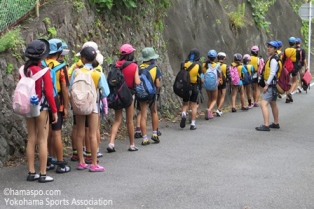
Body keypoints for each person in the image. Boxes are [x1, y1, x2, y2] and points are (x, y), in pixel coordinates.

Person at [69, 46, 110, 172]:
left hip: (79, 105)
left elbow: (71, 88)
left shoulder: (76, 72)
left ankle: (81, 162)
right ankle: (93, 163)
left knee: (80, 133)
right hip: (93, 105)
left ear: (83, 58)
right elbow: (106, 92)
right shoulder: (98, 74)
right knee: (92, 134)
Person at [23, 39, 58, 182]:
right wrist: (54, 110)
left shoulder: (23, 70)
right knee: (42, 140)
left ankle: (31, 172)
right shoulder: (44, 71)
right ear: (42, 56)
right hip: (42, 108)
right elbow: (49, 94)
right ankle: (43, 174)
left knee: (31, 139)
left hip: (27, 107)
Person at [43, 38, 71, 174]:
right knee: (56, 133)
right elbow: (65, 89)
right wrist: (66, 107)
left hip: (43, 103)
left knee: (46, 133)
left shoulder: (41, 64)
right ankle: (60, 163)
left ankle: (48, 161)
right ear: (59, 52)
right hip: (57, 102)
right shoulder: (61, 67)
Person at [107, 44, 140, 152]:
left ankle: (111, 143)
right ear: (131, 54)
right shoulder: (134, 66)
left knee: (117, 120)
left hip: (117, 95)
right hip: (128, 95)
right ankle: (131, 144)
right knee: (129, 121)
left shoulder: (115, 65)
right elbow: (137, 82)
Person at [137, 47, 162, 144]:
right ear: (152, 59)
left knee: (143, 115)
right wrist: (157, 91)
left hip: (141, 94)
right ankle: (155, 133)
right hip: (151, 94)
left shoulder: (138, 68)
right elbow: (158, 84)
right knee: (154, 112)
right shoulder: (155, 69)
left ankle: (144, 138)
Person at [255, 41, 280, 131]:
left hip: (271, 85)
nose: (268, 48)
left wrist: (266, 85)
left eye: (271, 47)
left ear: (275, 49)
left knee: (263, 104)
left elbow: (272, 73)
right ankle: (276, 123)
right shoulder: (275, 58)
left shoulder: (273, 59)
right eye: (268, 46)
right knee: (273, 104)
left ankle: (266, 125)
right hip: (274, 85)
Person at [179, 49, 202, 130]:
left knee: (185, 104)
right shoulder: (198, 66)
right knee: (194, 106)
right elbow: (201, 78)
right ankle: (192, 124)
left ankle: (184, 114)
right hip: (194, 86)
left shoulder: (183, 64)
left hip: (185, 87)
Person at [282, 37, 301, 103]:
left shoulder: (286, 50)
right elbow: (298, 59)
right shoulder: (297, 50)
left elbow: (283, 58)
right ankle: (290, 93)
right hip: (294, 66)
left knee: (287, 82)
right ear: (295, 43)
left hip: (287, 67)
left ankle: (287, 98)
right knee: (294, 81)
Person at [202, 49, 221, 119]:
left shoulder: (204, 64)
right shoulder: (217, 65)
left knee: (210, 98)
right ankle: (209, 110)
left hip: (206, 83)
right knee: (214, 99)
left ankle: (209, 112)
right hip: (214, 84)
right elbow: (220, 75)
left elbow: (203, 73)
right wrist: (219, 81)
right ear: (216, 57)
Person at [216, 52, 227, 116]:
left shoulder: (214, 65)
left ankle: (219, 109)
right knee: (222, 96)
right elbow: (228, 75)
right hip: (223, 81)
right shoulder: (225, 66)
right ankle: (218, 109)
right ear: (224, 58)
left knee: (218, 96)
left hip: (216, 81)